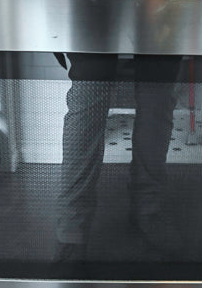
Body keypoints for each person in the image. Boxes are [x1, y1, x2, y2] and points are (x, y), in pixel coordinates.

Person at [55, 52, 183, 261]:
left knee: (157, 96)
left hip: (162, 20)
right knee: (89, 88)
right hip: (93, 19)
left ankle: (147, 208)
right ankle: (72, 223)